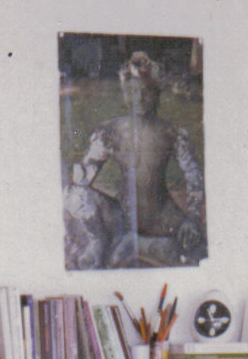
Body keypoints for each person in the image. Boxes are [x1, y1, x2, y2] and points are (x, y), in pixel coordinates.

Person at [64, 51, 207, 270]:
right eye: (132, 92)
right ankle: (102, 242)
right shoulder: (110, 131)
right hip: (122, 216)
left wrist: (193, 218)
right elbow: (83, 181)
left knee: (198, 250)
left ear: (157, 93)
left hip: (162, 218)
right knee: (74, 193)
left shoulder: (172, 133)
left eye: (146, 92)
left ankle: (141, 245)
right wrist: (95, 233)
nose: (139, 99)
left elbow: (194, 177)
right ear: (124, 94)